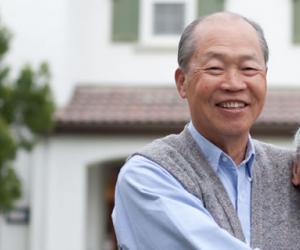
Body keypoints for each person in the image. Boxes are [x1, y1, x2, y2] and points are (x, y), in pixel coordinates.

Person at [112, 12, 300, 250]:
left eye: (249, 68)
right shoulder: (147, 176)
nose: (233, 83)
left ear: (265, 79)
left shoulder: (290, 170)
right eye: (215, 68)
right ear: (182, 82)